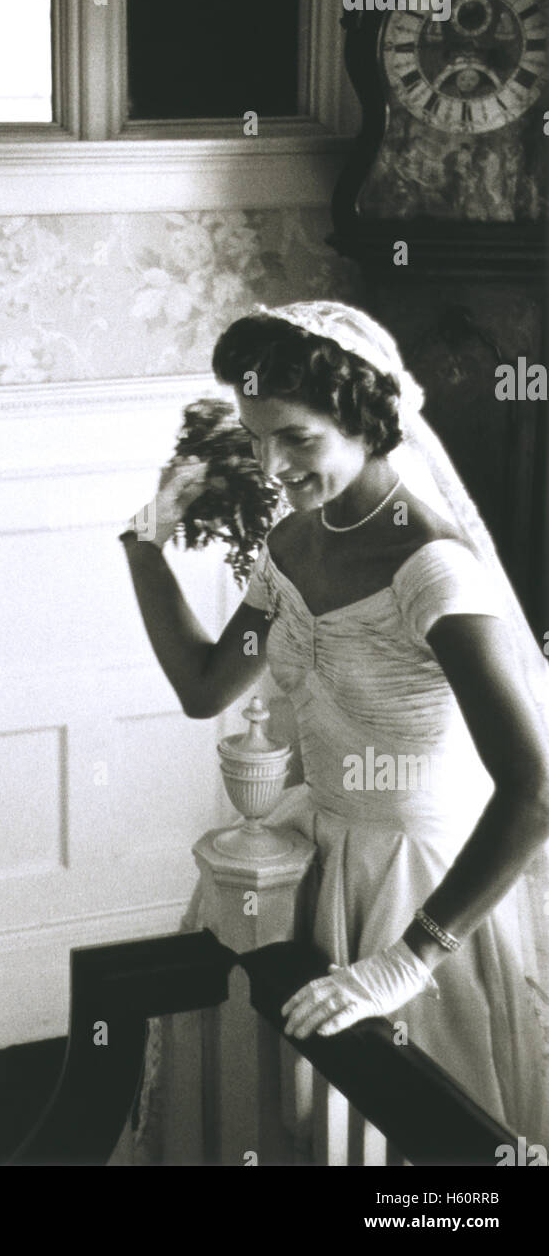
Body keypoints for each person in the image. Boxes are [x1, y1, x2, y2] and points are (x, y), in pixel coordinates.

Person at [118, 300, 549, 1155]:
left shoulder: (428, 566)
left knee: (415, 1146)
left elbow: (534, 789)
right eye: (257, 437)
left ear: (364, 420)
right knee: (289, 1123)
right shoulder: (290, 546)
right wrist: (143, 541)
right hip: (310, 857)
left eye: (297, 439)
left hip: (418, 884)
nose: (273, 465)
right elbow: (205, 687)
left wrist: (405, 960)